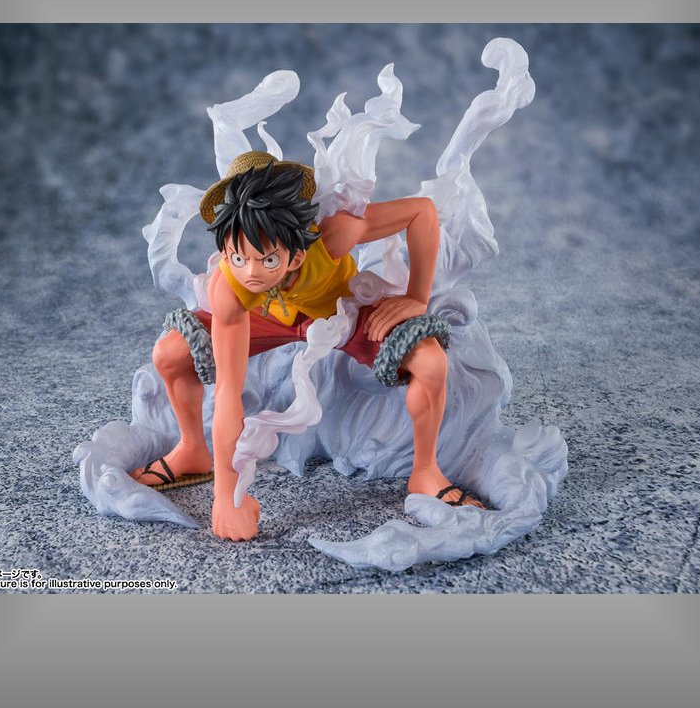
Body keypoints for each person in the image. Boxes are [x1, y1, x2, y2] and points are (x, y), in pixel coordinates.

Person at [130, 150, 485, 541]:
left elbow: (422, 212)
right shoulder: (229, 286)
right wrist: (227, 497)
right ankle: (193, 450)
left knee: (430, 362)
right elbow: (228, 391)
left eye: (267, 260)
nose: (251, 273)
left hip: (341, 314)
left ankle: (426, 472)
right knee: (171, 352)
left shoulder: (334, 234)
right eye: (238, 257)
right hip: (267, 320)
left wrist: (417, 297)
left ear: (297, 255)